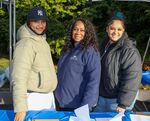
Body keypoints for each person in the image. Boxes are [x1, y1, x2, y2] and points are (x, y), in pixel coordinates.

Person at [11, 7, 57, 121]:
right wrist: (20, 107)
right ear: (28, 22)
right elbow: (18, 77)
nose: (40, 25)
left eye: (43, 21)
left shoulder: (42, 41)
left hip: (47, 98)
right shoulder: (25, 44)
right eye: (36, 21)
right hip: (34, 99)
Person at [94, 11, 142, 113]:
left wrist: (123, 103)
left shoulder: (129, 50)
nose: (115, 32)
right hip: (100, 98)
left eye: (119, 29)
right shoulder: (102, 46)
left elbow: (132, 78)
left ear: (123, 30)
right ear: (107, 29)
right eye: (112, 28)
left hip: (117, 102)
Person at [54, 18, 101, 111]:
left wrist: (85, 107)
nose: (78, 32)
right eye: (75, 29)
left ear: (87, 33)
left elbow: (93, 81)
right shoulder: (66, 50)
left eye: (82, 30)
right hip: (60, 103)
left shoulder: (90, 51)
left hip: (77, 105)